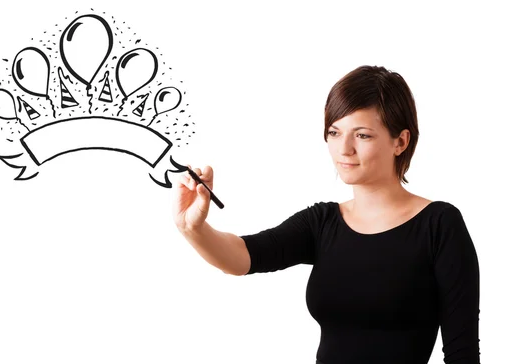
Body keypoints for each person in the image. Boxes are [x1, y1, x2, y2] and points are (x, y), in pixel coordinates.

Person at [172, 65, 480, 364]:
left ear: (400, 141)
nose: (344, 149)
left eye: (362, 135)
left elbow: (461, 354)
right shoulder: (322, 223)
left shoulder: (439, 225)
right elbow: (242, 257)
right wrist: (192, 228)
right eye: (334, 132)